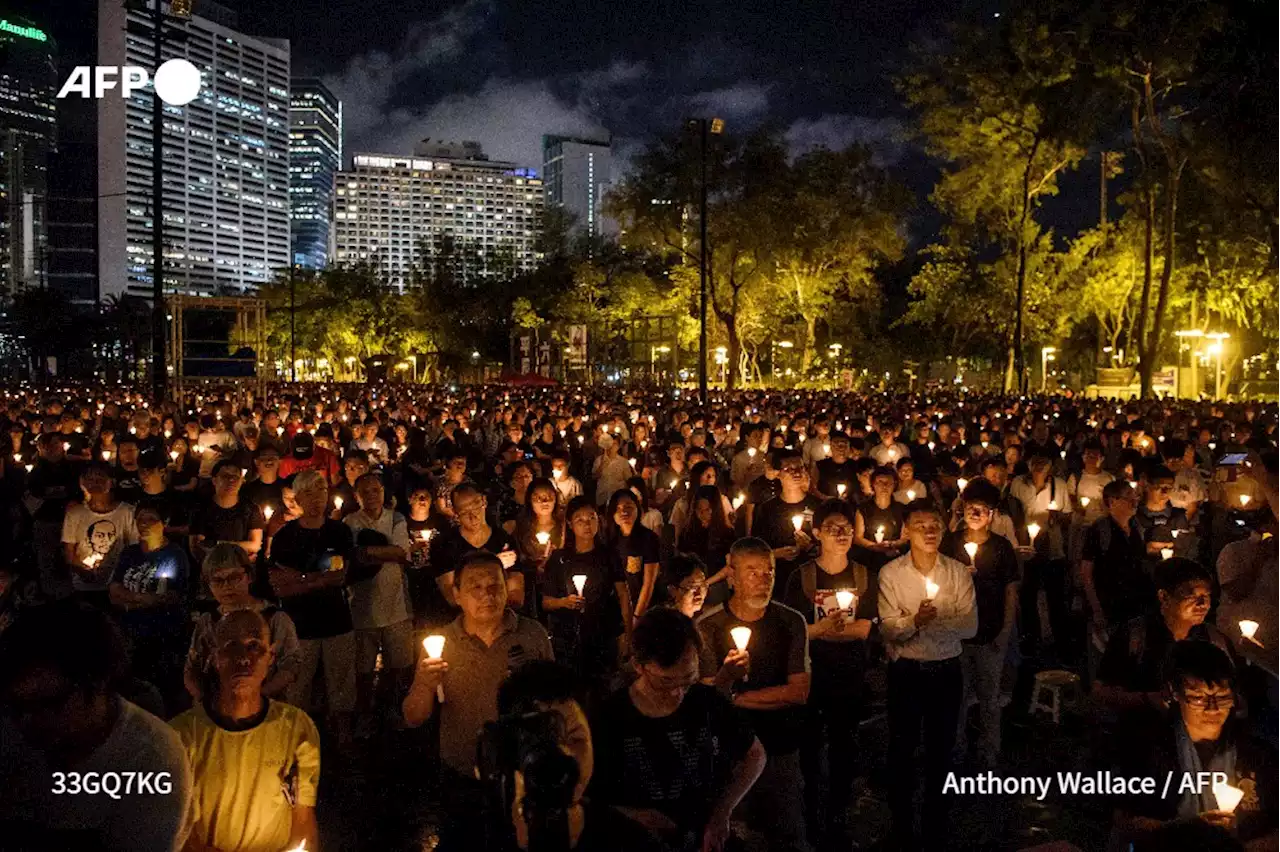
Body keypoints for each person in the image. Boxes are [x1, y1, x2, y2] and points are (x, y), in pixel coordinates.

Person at [0, 601, 194, 851]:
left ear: (98, 684)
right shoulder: (12, 731)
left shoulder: (151, 761)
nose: (28, 720)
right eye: (17, 706)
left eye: (49, 704)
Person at [593, 608, 766, 852]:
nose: (677, 692)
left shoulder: (705, 701)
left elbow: (755, 754)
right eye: (665, 681)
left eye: (688, 679)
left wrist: (723, 810)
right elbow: (587, 798)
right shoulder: (610, 716)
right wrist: (634, 816)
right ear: (639, 665)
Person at [170, 609, 321, 852]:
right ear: (216, 657)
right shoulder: (180, 737)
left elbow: (303, 817)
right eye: (231, 647)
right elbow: (175, 825)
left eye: (254, 646)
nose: (243, 659)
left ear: (271, 656)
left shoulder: (297, 729)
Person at [697, 537, 812, 852]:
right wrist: (726, 678)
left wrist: (735, 697)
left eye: (769, 571)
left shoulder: (791, 621)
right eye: (753, 572)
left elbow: (798, 691)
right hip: (730, 752)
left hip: (780, 745)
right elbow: (706, 698)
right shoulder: (708, 627)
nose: (764, 580)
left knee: (787, 832)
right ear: (731, 575)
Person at [402, 551, 552, 791]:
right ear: (457, 595)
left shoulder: (533, 635)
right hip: (461, 773)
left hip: (524, 772)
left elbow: (554, 701)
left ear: (507, 588)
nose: (487, 595)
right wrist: (425, 684)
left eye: (495, 585)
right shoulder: (443, 644)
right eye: (475, 587)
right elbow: (413, 717)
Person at [1110, 641, 1280, 852]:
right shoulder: (1147, 747)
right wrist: (1191, 829)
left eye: (1223, 697)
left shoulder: (1258, 753)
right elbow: (1126, 823)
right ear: (1174, 693)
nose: (1213, 708)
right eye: (1198, 698)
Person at [877, 500, 978, 850]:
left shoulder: (958, 573)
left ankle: (938, 824)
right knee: (902, 747)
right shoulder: (891, 574)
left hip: (947, 670)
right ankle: (901, 825)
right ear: (907, 530)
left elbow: (970, 626)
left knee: (942, 749)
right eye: (920, 524)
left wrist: (933, 622)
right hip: (907, 671)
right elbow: (889, 630)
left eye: (935, 523)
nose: (930, 530)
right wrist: (913, 622)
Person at [781, 500, 877, 848]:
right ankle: (809, 812)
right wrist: (822, 630)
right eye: (833, 527)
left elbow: (865, 628)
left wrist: (819, 629)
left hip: (849, 675)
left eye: (847, 528)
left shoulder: (864, 575)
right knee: (808, 747)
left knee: (844, 745)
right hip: (811, 675)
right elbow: (793, 630)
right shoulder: (802, 577)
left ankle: (837, 812)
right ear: (817, 532)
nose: (842, 534)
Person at [267, 470, 359, 746]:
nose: (317, 499)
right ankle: (299, 740)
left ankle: (343, 738)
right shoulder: (285, 538)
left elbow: (339, 576)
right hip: (300, 625)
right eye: (309, 493)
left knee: (342, 685)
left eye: (321, 491)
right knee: (298, 687)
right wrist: (318, 579)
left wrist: (301, 578)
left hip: (337, 619)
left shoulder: (339, 532)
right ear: (297, 499)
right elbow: (281, 585)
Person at [941, 479, 1019, 768]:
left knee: (989, 696)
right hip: (956, 635)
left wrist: (1005, 632)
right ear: (962, 510)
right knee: (957, 697)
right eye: (971, 508)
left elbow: (1010, 592)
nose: (976, 514)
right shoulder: (950, 543)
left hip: (990, 632)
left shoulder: (1001, 548)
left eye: (982, 510)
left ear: (992, 514)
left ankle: (989, 751)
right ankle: (957, 749)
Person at [1095, 559, 1235, 718]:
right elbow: (1101, 691)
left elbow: (1234, 692)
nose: (1202, 604)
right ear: (1164, 597)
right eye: (1191, 595)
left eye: (1206, 596)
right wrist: (1147, 699)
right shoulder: (1136, 635)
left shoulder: (1213, 639)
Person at [186, 543, 301, 703]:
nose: (227, 586)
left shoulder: (274, 619)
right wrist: (203, 698)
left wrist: (257, 696)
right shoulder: (208, 621)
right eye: (218, 580)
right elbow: (192, 666)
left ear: (249, 576)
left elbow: (291, 665)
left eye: (234, 578)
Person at [543, 497, 632, 680]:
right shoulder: (559, 559)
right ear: (569, 524)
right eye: (580, 520)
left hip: (603, 634)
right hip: (569, 639)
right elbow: (546, 602)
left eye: (591, 518)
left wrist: (627, 634)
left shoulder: (608, 555)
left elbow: (623, 594)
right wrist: (564, 602)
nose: (587, 524)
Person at [109, 506, 190, 703]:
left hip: (160, 635)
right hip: (128, 632)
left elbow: (171, 596)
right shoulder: (129, 553)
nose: (144, 524)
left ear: (164, 523)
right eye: (140, 520)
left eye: (151, 519)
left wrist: (131, 601)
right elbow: (114, 591)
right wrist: (144, 599)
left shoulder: (174, 555)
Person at [432, 482, 522, 609]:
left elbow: (516, 596)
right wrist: (494, 564)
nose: (472, 517)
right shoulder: (444, 545)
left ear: (484, 501)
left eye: (476, 507)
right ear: (455, 512)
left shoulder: (503, 541)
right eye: (464, 512)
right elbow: (452, 598)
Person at [62, 460, 138, 609]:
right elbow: (69, 552)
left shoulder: (127, 512)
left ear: (111, 482)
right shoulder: (75, 514)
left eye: (100, 478)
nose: (95, 483)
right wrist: (82, 570)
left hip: (117, 586)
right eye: (90, 479)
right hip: (84, 587)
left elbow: (133, 548)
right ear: (82, 482)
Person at [188, 460, 266, 567]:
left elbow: (255, 545)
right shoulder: (201, 509)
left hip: (240, 568)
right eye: (225, 476)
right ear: (214, 480)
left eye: (236, 476)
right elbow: (197, 547)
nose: (231, 479)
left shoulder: (251, 509)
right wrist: (239, 548)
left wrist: (217, 544)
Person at [603, 488, 662, 618]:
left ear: (637, 508)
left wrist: (636, 616)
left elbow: (648, 584)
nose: (623, 511)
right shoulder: (610, 541)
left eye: (628, 506)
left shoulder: (648, 538)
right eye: (617, 508)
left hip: (645, 608)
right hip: (618, 609)